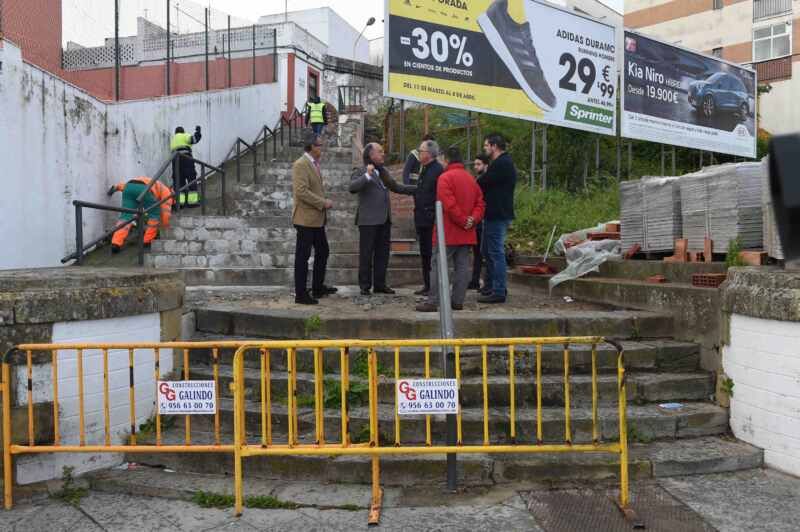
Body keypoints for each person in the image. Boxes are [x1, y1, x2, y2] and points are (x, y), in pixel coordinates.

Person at [416, 146, 485, 312]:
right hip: (467, 231)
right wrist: (472, 219)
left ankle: (433, 301)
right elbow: (480, 203)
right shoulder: (470, 178)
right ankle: (457, 301)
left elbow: (448, 204)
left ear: (446, 159)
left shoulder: (445, 178)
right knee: (462, 267)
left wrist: (462, 220)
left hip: (447, 231)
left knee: (438, 265)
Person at [349, 143, 416, 296]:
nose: (383, 154)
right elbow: (352, 187)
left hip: (384, 220)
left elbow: (396, 187)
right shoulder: (360, 171)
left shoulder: (383, 172)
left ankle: (380, 284)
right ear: (370, 155)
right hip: (368, 221)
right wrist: (367, 175)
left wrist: (419, 189)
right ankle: (364, 286)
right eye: (380, 152)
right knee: (366, 254)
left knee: (382, 254)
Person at [292, 133, 337, 305]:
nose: (322, 148)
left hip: (316, 219)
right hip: (305, 219)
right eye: (319, 145)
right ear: (311, 147)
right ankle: (300, 294)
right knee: (302, 256)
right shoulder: (300, 164)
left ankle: (318, 287)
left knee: (323, 251)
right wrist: (323, 203)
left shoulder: (313, 164)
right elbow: (301, 192)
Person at [477, 133, 517, 304]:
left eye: (486, 146)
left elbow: (482, 182)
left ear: (494, 146)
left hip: (497, 214)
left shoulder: (501, 164)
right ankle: (491, 286)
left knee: (495, 252)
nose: (485, 149)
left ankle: (499, 291)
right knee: (488, 251)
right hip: (495, 213)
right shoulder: (500, 163)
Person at [107, 177, 174, 253]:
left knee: (125, 217)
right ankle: (147, 241)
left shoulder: (156, 183)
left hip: (129, 186)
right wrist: (164, 229)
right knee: (154, 215)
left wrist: (115, 188)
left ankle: (116, 243)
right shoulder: (167, 193)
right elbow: (165, 212)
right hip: (144, 189)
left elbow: (126, 186)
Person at [412, 139, 444, 296]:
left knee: (431, 255)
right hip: (422, 218)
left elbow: (437, 194)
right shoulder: (424, 168)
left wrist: (431, 212)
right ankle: (427, 284)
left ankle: (433, 286)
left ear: (429, 154)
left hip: (431, 219)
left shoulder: (438, 170)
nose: (419, 153)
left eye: (421, 151)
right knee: (424, 254)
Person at [470, 154, 491, 290]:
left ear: (485, 165)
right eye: (475, 164)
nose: (475, 167)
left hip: (485, 219)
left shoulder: (486, 180)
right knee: (477, 252)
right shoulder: (478, 179)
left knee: (485, 252)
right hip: (478, 220)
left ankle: (485, 282)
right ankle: (475, 280)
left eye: (478, 164)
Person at [171, 125, 202, 207]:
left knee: (179, 181)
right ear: (182, 131)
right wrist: (198, 133)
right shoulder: (184, 135)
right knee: (191, 177)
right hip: (186, 159)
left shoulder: (173, 139)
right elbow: (193, 140)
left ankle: (180, 203)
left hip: (175, 160)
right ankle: (192, 202)